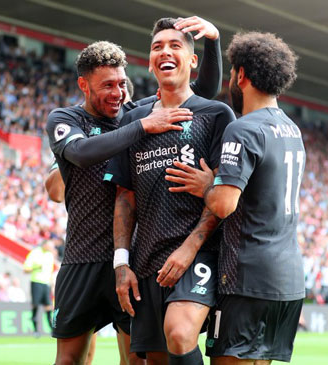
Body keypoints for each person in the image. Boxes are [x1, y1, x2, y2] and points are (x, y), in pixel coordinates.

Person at [45, 16, 223, 365]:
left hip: (132, 259)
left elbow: (201, 93)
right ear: (84, 85)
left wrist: (213, 42)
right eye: (107, 86)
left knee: (136, 360)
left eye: (122, 84)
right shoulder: (66, 120)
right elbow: (79, 154)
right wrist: (143, 125)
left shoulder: (132, 113)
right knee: (68, 360)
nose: (118, 93)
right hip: (82, 257)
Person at [165, 31, 304, 364]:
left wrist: (206, 186)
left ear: (241, 75)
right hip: (288, 281)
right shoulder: (291, 129)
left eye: (231, 73)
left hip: (248, 278)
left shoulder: (243, 128)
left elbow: (224, 204)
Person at [105, 17, 235, 365]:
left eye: (175, 46)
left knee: (179, 333)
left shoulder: (216, 114)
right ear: (149, 62)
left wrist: (189, 249)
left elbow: (222, 192)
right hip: (147, 261)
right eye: (157, 47)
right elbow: (124, 196)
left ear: (192, 62)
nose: (165, 51)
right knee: (157, 359)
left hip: (198, 255)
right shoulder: (134, 120)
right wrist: (122, 264)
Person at [23, 240, 56, 337]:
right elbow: (25, 269)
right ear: (45, 245)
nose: (52, 248)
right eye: (50, 246)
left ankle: (52, 330)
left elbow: (50, 271)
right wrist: (37, 267)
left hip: (46, 284)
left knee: (48, 306)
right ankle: (35, 330)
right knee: (35, 305)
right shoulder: (35, 253)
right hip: (36, 282)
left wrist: (52, 284)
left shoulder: (50, 256)